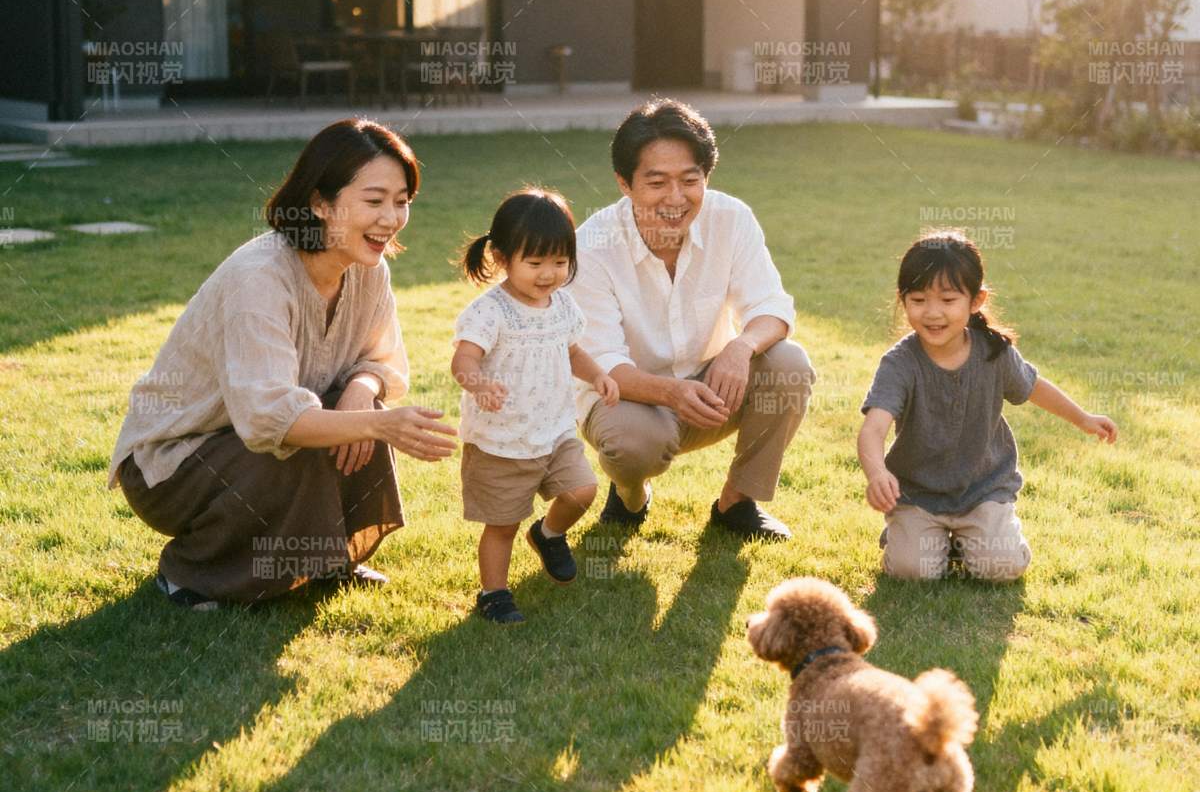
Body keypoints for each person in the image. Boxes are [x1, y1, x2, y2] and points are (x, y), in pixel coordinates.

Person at [108, 118, 457, 609]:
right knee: (301, 440)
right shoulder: (261, 277)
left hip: (242, 444)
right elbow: (268, 418)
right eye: (374, 201)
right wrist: (377, 422)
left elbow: (380, 360)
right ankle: (191, 571)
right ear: (319, 203)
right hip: (172, 469)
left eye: (402, 202)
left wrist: (363, 391)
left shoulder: (368, 269)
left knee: (347, 417)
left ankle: (331, 558)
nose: (392, 218)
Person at [571, 98, 814, 541]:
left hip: (711, 390)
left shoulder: (731, 218)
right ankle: (630, 495)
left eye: (690, 180)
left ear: (706, 178)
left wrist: (740, 347)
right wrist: (671, 392)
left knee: (790, 365)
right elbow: (602, 361)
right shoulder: (589, 247)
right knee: (631, 444)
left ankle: (736, 504)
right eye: (656, 182)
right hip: (626, 401)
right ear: (624, 183)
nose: (676, 198)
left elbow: (772, 307)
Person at [858, 229, 1118, 581]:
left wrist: (1083, 418)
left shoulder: (994, 352)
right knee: (913, 571)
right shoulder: (899, 363)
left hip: (982, 491)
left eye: (948, 300)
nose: (932, 313)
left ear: (976, 300)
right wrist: (877, 472)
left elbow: (1034, 387)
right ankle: (912, 535)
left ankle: (976, 537)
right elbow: (873, 428)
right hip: (917, 494)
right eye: (918, 300)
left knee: (1002, 568)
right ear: (903, 300)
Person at [450, 188, 619, 625]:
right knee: (501, 525)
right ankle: (494, 593)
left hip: (555, 430)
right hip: (502, 440)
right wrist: (479, 382)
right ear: (504, 258)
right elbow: (463, 359)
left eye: (560, 262)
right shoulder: (491, 312)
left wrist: (599, 374)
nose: (549, 274)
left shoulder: (562, 303)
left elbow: (572, 350)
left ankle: (548, 534)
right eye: (536, 262)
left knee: (582, 490)